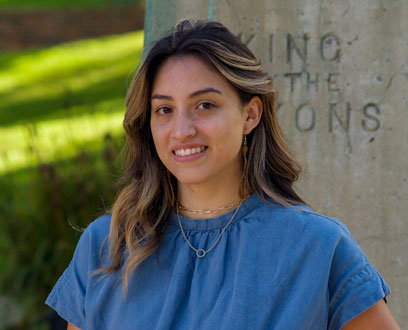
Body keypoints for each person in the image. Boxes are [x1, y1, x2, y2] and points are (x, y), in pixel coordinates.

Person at [46, 19, 400, 330]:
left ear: (250, 115)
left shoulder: (319, 248)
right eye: (165, 110)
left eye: (205, 105)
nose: (182, 130)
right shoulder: (106, 246)